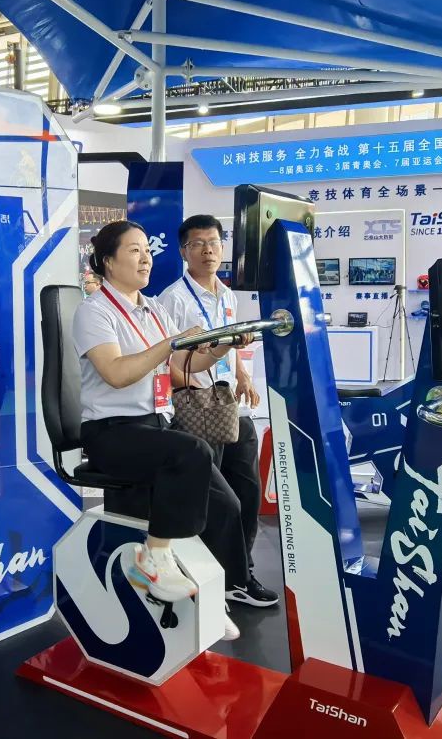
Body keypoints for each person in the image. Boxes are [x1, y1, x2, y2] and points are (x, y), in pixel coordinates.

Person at [73, 220, 250, 640]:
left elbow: (185, 366)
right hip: (110, 431)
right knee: (192, 451)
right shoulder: (93, 311)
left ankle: (211, 597)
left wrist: (224, 346)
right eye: (134, 250)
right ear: (107, 261)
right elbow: (117, 374)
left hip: (155, 424)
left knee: (227, 505)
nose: (146, 258)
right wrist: (171, 343)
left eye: (147, 250)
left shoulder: (154, 309)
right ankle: (153, 560)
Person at [159, 214, 279, 609]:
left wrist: (242, 376)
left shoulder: (227, 295)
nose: (207, 251)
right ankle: (213, 576)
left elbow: (231, 344)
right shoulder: (173, 300)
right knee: (215, 499)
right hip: (199, 407)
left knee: (246, 490)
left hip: (230, 403)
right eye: (197, 244)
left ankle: (241, 571)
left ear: (222, 248)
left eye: (213, 242)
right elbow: (166, 358)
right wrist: (191, 387)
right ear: (184, 252)